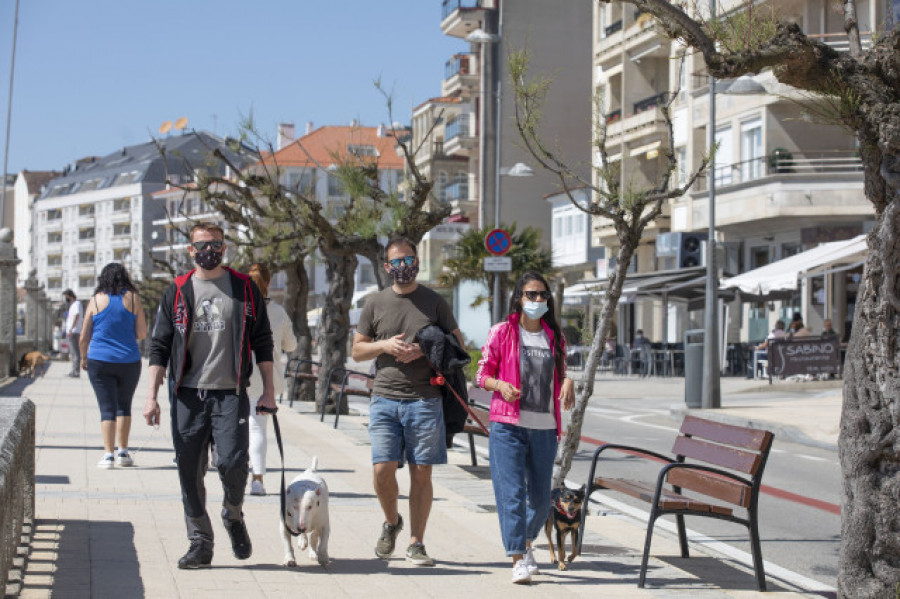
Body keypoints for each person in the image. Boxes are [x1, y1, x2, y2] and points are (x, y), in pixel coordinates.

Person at [143, 223, 275, 570]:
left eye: (215, 244)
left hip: (230, 394)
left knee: (234, 462)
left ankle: (232, 513)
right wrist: (151, 396)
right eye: (202, 245)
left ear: (225, 247)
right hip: (187, 395)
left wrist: (269, 391)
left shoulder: (244, 288)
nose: (209, 250)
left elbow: (262, 340)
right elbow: (159, 345)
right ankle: (200, 542)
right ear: (190, 250)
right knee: (190, 470)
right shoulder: (178, 290)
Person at [351, 236, 463, 567]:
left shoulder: (435, 302)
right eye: (397, 262)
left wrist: (426, 348)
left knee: (421, 474)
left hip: (426, 398)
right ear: (387, 267)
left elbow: (457, 345)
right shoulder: (375, 302)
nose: (403, 266)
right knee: (382, 470)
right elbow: (357, 351)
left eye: (408, 260)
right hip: (385, 397)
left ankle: (417, 542)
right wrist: (384, 346)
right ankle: (391, 522)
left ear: (417, 261)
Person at [475, 272, 575, 584]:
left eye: (543, 295)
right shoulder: (502, 332)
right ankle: (518, 557)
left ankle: (527, 542)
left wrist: (569, 381)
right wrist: (500, 386)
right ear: (519, 297)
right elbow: (481, 375)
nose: (537, 300)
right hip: (508, 425)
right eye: (531, 295)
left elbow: (562, 372)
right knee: (512, 494)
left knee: (542, 501)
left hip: (545, 428)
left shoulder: (554, 336)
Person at [79, 264, 148, 469]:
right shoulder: (134, 299)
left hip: (99, 360)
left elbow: (84, 336)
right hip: (129, 360)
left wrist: (83, 357)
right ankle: (123, 453)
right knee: (124, 405)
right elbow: (143, 333)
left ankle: (108, 455)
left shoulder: (95, 301)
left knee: (106, 407)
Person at [246, 263, 297, 496]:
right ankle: (257, 479)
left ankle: (234, 470)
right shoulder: (277, 312)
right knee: (258, 429)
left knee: (234, 428)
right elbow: (292, 345)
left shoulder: (241, 308)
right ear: (268, 283)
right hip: (266, 378)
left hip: (238, 375)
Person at [62, 289, 83, 377]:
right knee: (73, 352)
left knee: (75, 352)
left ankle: (76, 372)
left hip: (73, 332)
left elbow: (76, 316)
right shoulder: (74, 305)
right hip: (73, 331)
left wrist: (71, 329)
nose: (65, 299)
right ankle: (74, 370)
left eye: (66, 297)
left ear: (69, 296)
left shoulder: (76, 304)